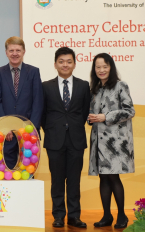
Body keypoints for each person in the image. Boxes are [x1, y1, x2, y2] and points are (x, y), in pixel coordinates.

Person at [41, 47, 91, 228]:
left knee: (74, 180)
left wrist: (75, 125)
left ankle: (74, 216)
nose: (65, 65)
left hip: (76, 139)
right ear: (55, 64)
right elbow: (43, 113)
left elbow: (84, 110)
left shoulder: (84, 85)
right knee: (57, 180)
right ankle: (59, 216)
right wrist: (51, 129)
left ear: (74, 64)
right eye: (61, 61)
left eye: (69, 61)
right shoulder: (45, 86)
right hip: (54, 139)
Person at [88, 53, 135, 229]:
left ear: (111, 67)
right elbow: (93, 113)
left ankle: (122, 215)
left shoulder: (120, 86)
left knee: (113, 177)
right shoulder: (94, 89)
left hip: (115, 143)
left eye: (105, 66)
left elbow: (129, 111)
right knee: (103, 178)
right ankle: (107, 215)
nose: (101, 70)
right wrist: (91, 118)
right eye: (98, 67)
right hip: (98, 141)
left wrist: (105, 116)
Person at [0, 36, 44, 169]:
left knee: (27, 172)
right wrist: (5, 127)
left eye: (18, 50)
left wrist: (30, 129)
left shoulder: (33, 72)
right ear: (6, 52)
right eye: (11, 50)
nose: (15, 54)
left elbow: (38, 102)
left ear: (24, 52)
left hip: (28, 134)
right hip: (6, 135)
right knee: (7, 173)